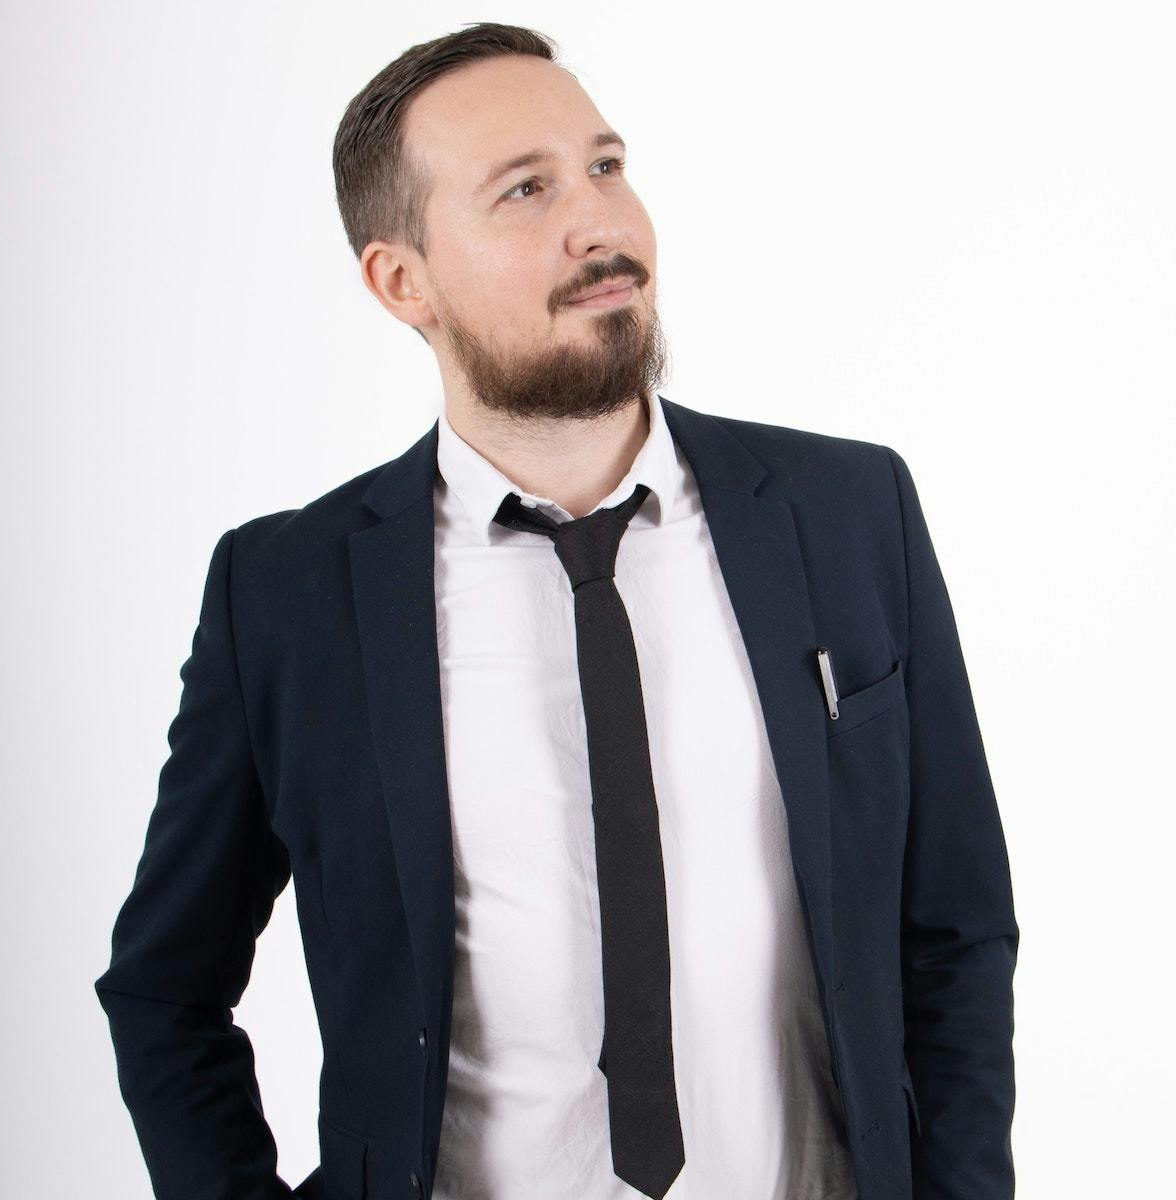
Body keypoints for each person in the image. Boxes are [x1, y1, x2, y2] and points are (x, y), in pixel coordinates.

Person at [95, 21, 1019, 1200]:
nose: (600, 224)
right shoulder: (285, 596)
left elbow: (956, 931)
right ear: (402, 281)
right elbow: (166, 990)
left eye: (606, 165)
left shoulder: (846, 512)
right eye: (525, 190)